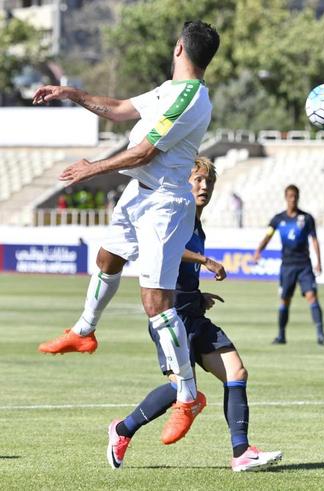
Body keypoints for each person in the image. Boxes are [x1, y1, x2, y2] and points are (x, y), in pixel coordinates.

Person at [35, 20, 221, 444]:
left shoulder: (191, 98)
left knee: (156, 301)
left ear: (179, 48)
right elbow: (121, 109)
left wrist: (92, 168)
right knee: (108, 258)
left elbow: (146, 150)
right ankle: (83, 332)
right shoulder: (169, 90)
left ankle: (188, 397)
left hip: (165, 204)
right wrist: (72, 94)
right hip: (139, 193)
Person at [107, 157, 282, 471]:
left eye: (209, 182)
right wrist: (205, 260)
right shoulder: (173, 213)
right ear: (184, 183)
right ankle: (122, 430)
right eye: (198, 180)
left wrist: (198, 295)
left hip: (192, 313)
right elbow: (164, 248)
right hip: (169, 319)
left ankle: (241, 452)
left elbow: (174, 269)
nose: (204, 187)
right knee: (181, 389)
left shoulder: (195, 220)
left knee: (236, 374)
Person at [253, 185, 324, 345]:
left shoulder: (307, 218)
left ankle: (321, 334)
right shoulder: (278, 219)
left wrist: (319, 262)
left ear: (298, 197)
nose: (292, 199)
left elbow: (314, 240)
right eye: (290, 196)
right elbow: (268, 235)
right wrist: (259, 250)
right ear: (286, 197)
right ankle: (281, 335)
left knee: (312, 296)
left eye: (295, 196)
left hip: (304, 265)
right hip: (287, 266)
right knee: (284, 300)